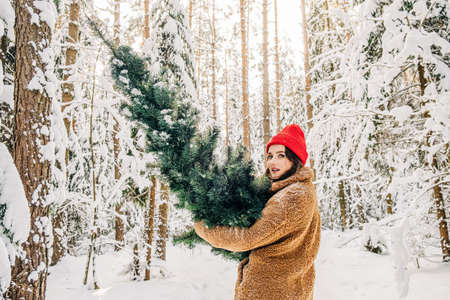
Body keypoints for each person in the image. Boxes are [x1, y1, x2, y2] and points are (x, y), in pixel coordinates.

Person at [194, 124, 321, 300]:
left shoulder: (292, 196)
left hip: (271, 291)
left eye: (281, 155)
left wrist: (204, 227)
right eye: (270, 156)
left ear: (295, 160)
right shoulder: (296, 189)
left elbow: (248, 237)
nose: (272, 162)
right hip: (288, 288)